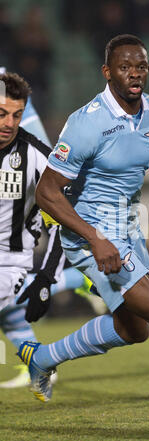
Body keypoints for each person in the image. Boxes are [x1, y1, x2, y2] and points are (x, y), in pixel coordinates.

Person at [18, 34, 149, 430]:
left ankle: (42, 359)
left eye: (141, 66)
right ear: (108, 72)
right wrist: (95, 239)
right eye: (125, 67)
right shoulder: (87, 123)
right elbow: (47, 192)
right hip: (92, 235)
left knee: (133, 329)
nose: (134, 74)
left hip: (127, 228)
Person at [0, 72, 66, 385]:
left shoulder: (37, 156)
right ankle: (39, 363)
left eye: (17, 115)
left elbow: (64, 220)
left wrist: (46, 276)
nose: (9, 123)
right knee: (11, 320)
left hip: (8, 264)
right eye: (2, 114)